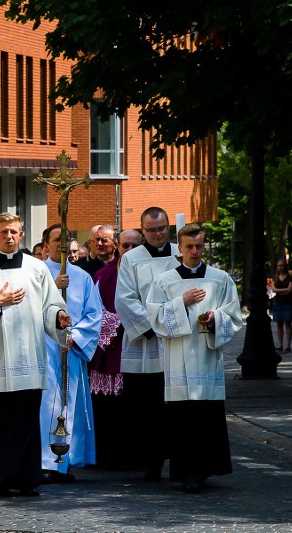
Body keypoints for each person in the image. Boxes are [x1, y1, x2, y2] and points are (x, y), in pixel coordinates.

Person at [0, 214, 69, 496]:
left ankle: (25, 477)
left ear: (22, 235)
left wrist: (59, 317)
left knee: (25, 422)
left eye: (14, 232)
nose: (9, 236)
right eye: (4, 232)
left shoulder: (37, 268)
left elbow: (49, 305)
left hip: (28, 359)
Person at [147, 223, 242, 493]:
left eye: (199, 245)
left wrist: (216, 318)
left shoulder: (220, 278)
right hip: (178, 357)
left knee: (206, 414)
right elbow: (154, 316)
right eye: (189, 246)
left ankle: (206, 469)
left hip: (206, 356)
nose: (195, 251)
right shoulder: (165, 280)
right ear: (180, 247)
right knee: (182, 417)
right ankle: (186, 471)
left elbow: (233, 314)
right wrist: (181, 302)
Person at [114, 206, 179, 480]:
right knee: (147, 408)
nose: (157, 234)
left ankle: (179, 460)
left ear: (168, 227)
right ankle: (150, 462)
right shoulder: (132, 259)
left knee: (175, 408)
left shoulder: (181, 253)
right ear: (143, 231)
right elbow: (125, 299)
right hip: (146, 344)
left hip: (178, 342)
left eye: (162, 228)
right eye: (151, 230)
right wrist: (155, 325)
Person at [39, 223, 103, 483]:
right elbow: (29, 307)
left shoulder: (83, 277)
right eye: (57, 240)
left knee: (68, 404)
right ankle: (43, 462)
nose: (62, 245)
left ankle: (63, 463)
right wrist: (53, 286)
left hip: (71, 351)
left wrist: (74, 337)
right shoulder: (37, 273)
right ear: (45, 246)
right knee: (45, 407)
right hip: (43, 350)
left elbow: (93, 314)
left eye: (66, 240)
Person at [89, 228, 142, 470]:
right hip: (110, 349)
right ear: (117, 247)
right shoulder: (102, 275)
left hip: (141, 345)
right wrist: (120, 321)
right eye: (125, 245)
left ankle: (136, 455)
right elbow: (94, 311)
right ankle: (106, 454)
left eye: (134, 246)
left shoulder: (149, 274)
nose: (129, 250)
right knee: (106, 408)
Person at [271, 258, 292, 352]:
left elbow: (290, 290)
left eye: (282, 265)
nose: (280, 267)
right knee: (279, 323)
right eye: (278, 265)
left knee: (287, 323)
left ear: (285, 266)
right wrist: (284, 290)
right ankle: (280, 344)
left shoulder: (290, 277)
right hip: (277, 302)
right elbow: (273, 289)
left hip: (287, 303)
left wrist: (280, 291)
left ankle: (288, 345)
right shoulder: (275, 277)